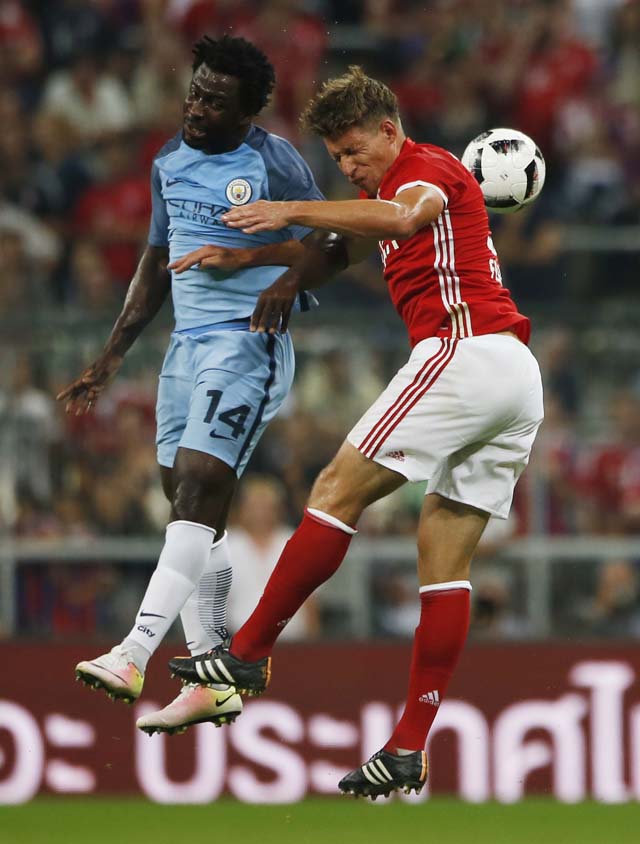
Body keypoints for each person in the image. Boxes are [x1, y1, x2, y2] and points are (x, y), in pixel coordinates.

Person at [170, 67, 544, 797]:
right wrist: (248, 257)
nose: (346, 167)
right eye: (335, 158)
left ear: (386, 128)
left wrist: (288, 206)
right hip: (514, 378)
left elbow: (405, 218)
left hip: (463, 351)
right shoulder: (381, 194)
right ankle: (408, 748)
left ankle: (245, 654)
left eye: (353, 152)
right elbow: (350, 243)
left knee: (334, 487)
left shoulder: (425, 168)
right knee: (442, 559)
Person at [57, 35, 328, 736]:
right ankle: (211, 667)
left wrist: (282, 278)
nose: (196, 106)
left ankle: (134, 651)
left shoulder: (273, 159)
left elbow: (333, 239)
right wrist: (112, 355)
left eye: (214, 99)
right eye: (195, 91)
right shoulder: (168, 163)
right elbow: (154, 263)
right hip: (184, 351)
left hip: (247, 342)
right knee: (188, 508)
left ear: (247, 112)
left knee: (202, 484)